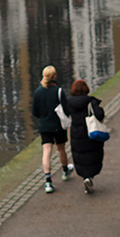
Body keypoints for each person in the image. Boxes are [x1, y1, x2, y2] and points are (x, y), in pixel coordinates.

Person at [31, 65, 73, 193]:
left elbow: (35, 112)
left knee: (46, 151)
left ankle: (48, 182)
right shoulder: (58, 91)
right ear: (54, 76)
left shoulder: (37, 92)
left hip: (45, 126)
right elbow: (66, 109)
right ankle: (65, 171)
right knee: (61, 149)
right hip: (58, 126)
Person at [64, 78, 105, 194]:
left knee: (80, 157)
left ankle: (86, 177)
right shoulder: (90, 102)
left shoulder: (69, 104)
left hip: (77, 135)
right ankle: (90, 177)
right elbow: (100, 115)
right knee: (93, 156)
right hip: (91, 134)